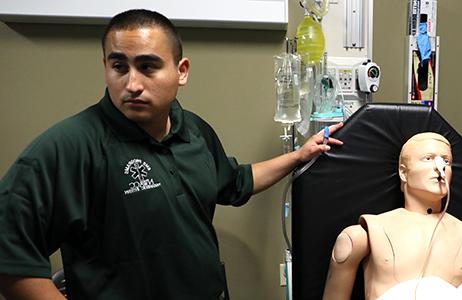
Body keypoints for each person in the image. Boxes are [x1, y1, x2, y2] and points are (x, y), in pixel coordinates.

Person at [0, 9, 343, 299]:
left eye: (148, 67)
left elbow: (236, 182)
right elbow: (9, 256)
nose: (132, 83)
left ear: (181, 72)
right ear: (105, 66)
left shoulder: (192, 130)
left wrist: (300, 155)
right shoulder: (71, 146)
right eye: (119, 67)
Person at [322, 132, 462, 300]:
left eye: (446, 161)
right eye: (428, 158)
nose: (439, 167)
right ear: (403, 172)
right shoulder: (366, 235)